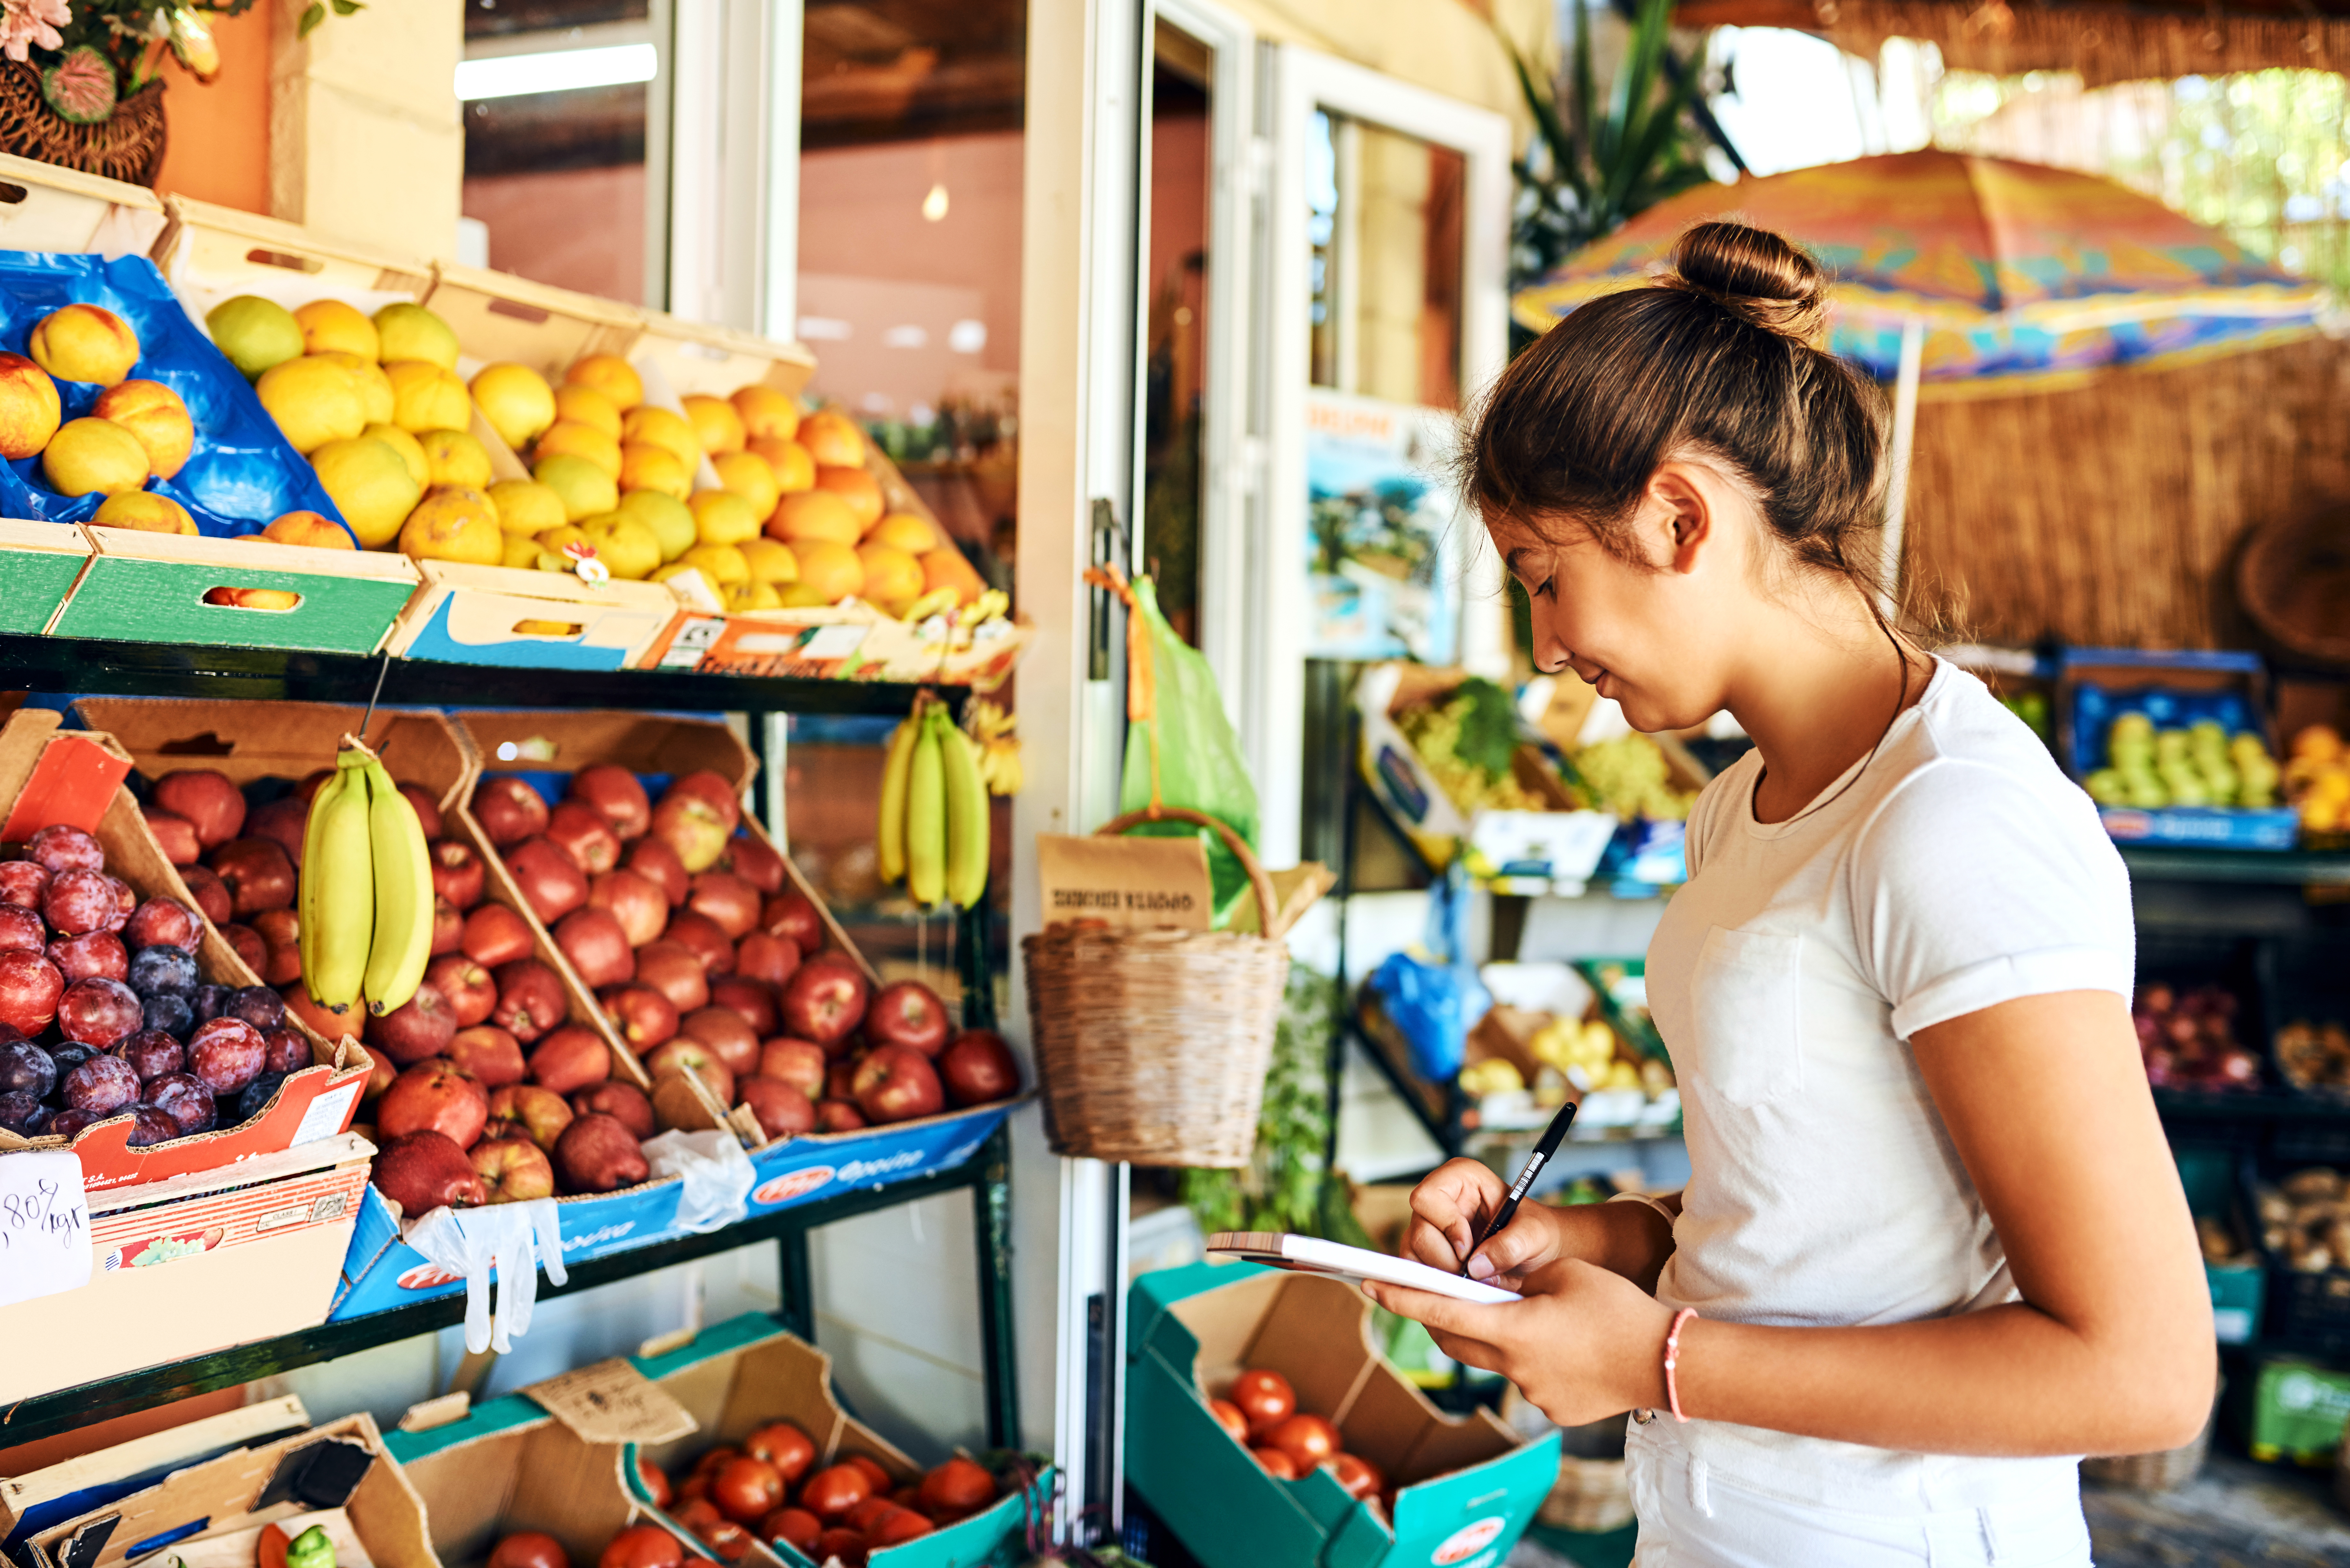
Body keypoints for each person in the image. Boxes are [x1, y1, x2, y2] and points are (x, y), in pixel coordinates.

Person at [1366, 221, 2211, 1566]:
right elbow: (1816, 1214)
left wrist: (1658, 1363)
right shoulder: (1739, 806)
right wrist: (1576, 1239)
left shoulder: (1954, 824)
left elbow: (2140, 1371)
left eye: (1545, 579)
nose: (1546, 646)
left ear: (1679, 516)